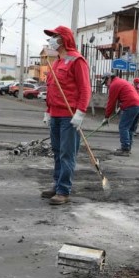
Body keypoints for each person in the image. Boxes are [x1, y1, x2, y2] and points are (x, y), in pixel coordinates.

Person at [41, 25, 91, 205]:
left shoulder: (77, 60)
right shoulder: (56, 62)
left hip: (69, 116)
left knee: (66, 154)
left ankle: (63, 190)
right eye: (51, 36)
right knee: (56, 152)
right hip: (55, 114)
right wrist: (48, 111)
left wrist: (80, 113)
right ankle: (57, 184)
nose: (51, 39)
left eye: (54, 36)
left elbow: (85, 89)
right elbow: (52, 89)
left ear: (64, 38)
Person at [101, 72, 139, 157]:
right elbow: (127, 94)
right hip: (138, 105)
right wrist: (121, 106)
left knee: (123, 127)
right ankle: (127, 147)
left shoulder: (114, 85)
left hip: (131, 106)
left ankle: (125, 149)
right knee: (130, 129)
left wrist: (106, 117)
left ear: (109, 78)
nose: (105, 85)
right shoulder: (121, 81)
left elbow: (111, 103)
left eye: (105, 82)